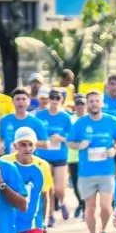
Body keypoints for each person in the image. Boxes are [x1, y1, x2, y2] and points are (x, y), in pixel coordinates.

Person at [68, 91, 116, 233]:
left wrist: (114, 149)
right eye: (91, 101)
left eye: (97, 101)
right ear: (87, 103)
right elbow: (70, 142)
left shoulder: (111, 121)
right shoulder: (80, 123)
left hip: (106, 171)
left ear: (101, 103)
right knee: (90, 208)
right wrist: (79, 146)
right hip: (86, 173)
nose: (94, 104)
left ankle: (103, 230)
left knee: (106, 207)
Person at [33, 88, 74, 223]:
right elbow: (34, 134)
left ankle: (62, 203)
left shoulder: (65, 117)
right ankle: (50, 215)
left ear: (61, 101)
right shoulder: (40, 116)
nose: (55, 101)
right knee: (48, 188)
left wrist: (61, 138)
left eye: (58, 98)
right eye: (53, 98)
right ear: (49, 100)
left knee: (59, 189)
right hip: (43, 156)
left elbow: (72, 138)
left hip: (60, 155)